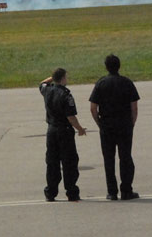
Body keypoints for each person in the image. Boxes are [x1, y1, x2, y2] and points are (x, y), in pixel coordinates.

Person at [89, 54, 140, 200]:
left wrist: (99, 123)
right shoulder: (127, 82)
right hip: (124, 125)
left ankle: (112, 192)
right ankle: (126, 190)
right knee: (125, 158)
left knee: (108, 159)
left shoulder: (101, 83)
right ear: (119, 66)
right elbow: (134, 108)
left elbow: (93, 108)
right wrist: (131, 123)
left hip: (107, 126)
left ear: (106, 67)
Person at [39, 68, 87, 202]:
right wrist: (80, 129)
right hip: (64, 132)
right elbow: (71, 117)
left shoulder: (47, 90)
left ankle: (51, 192)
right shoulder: (66, 95)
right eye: (66, 77)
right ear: (63, 79)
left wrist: (52, 78)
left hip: (51, 131)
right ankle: (71, 192)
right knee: (69, 163)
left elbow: (42, 83)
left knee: (52, 162)